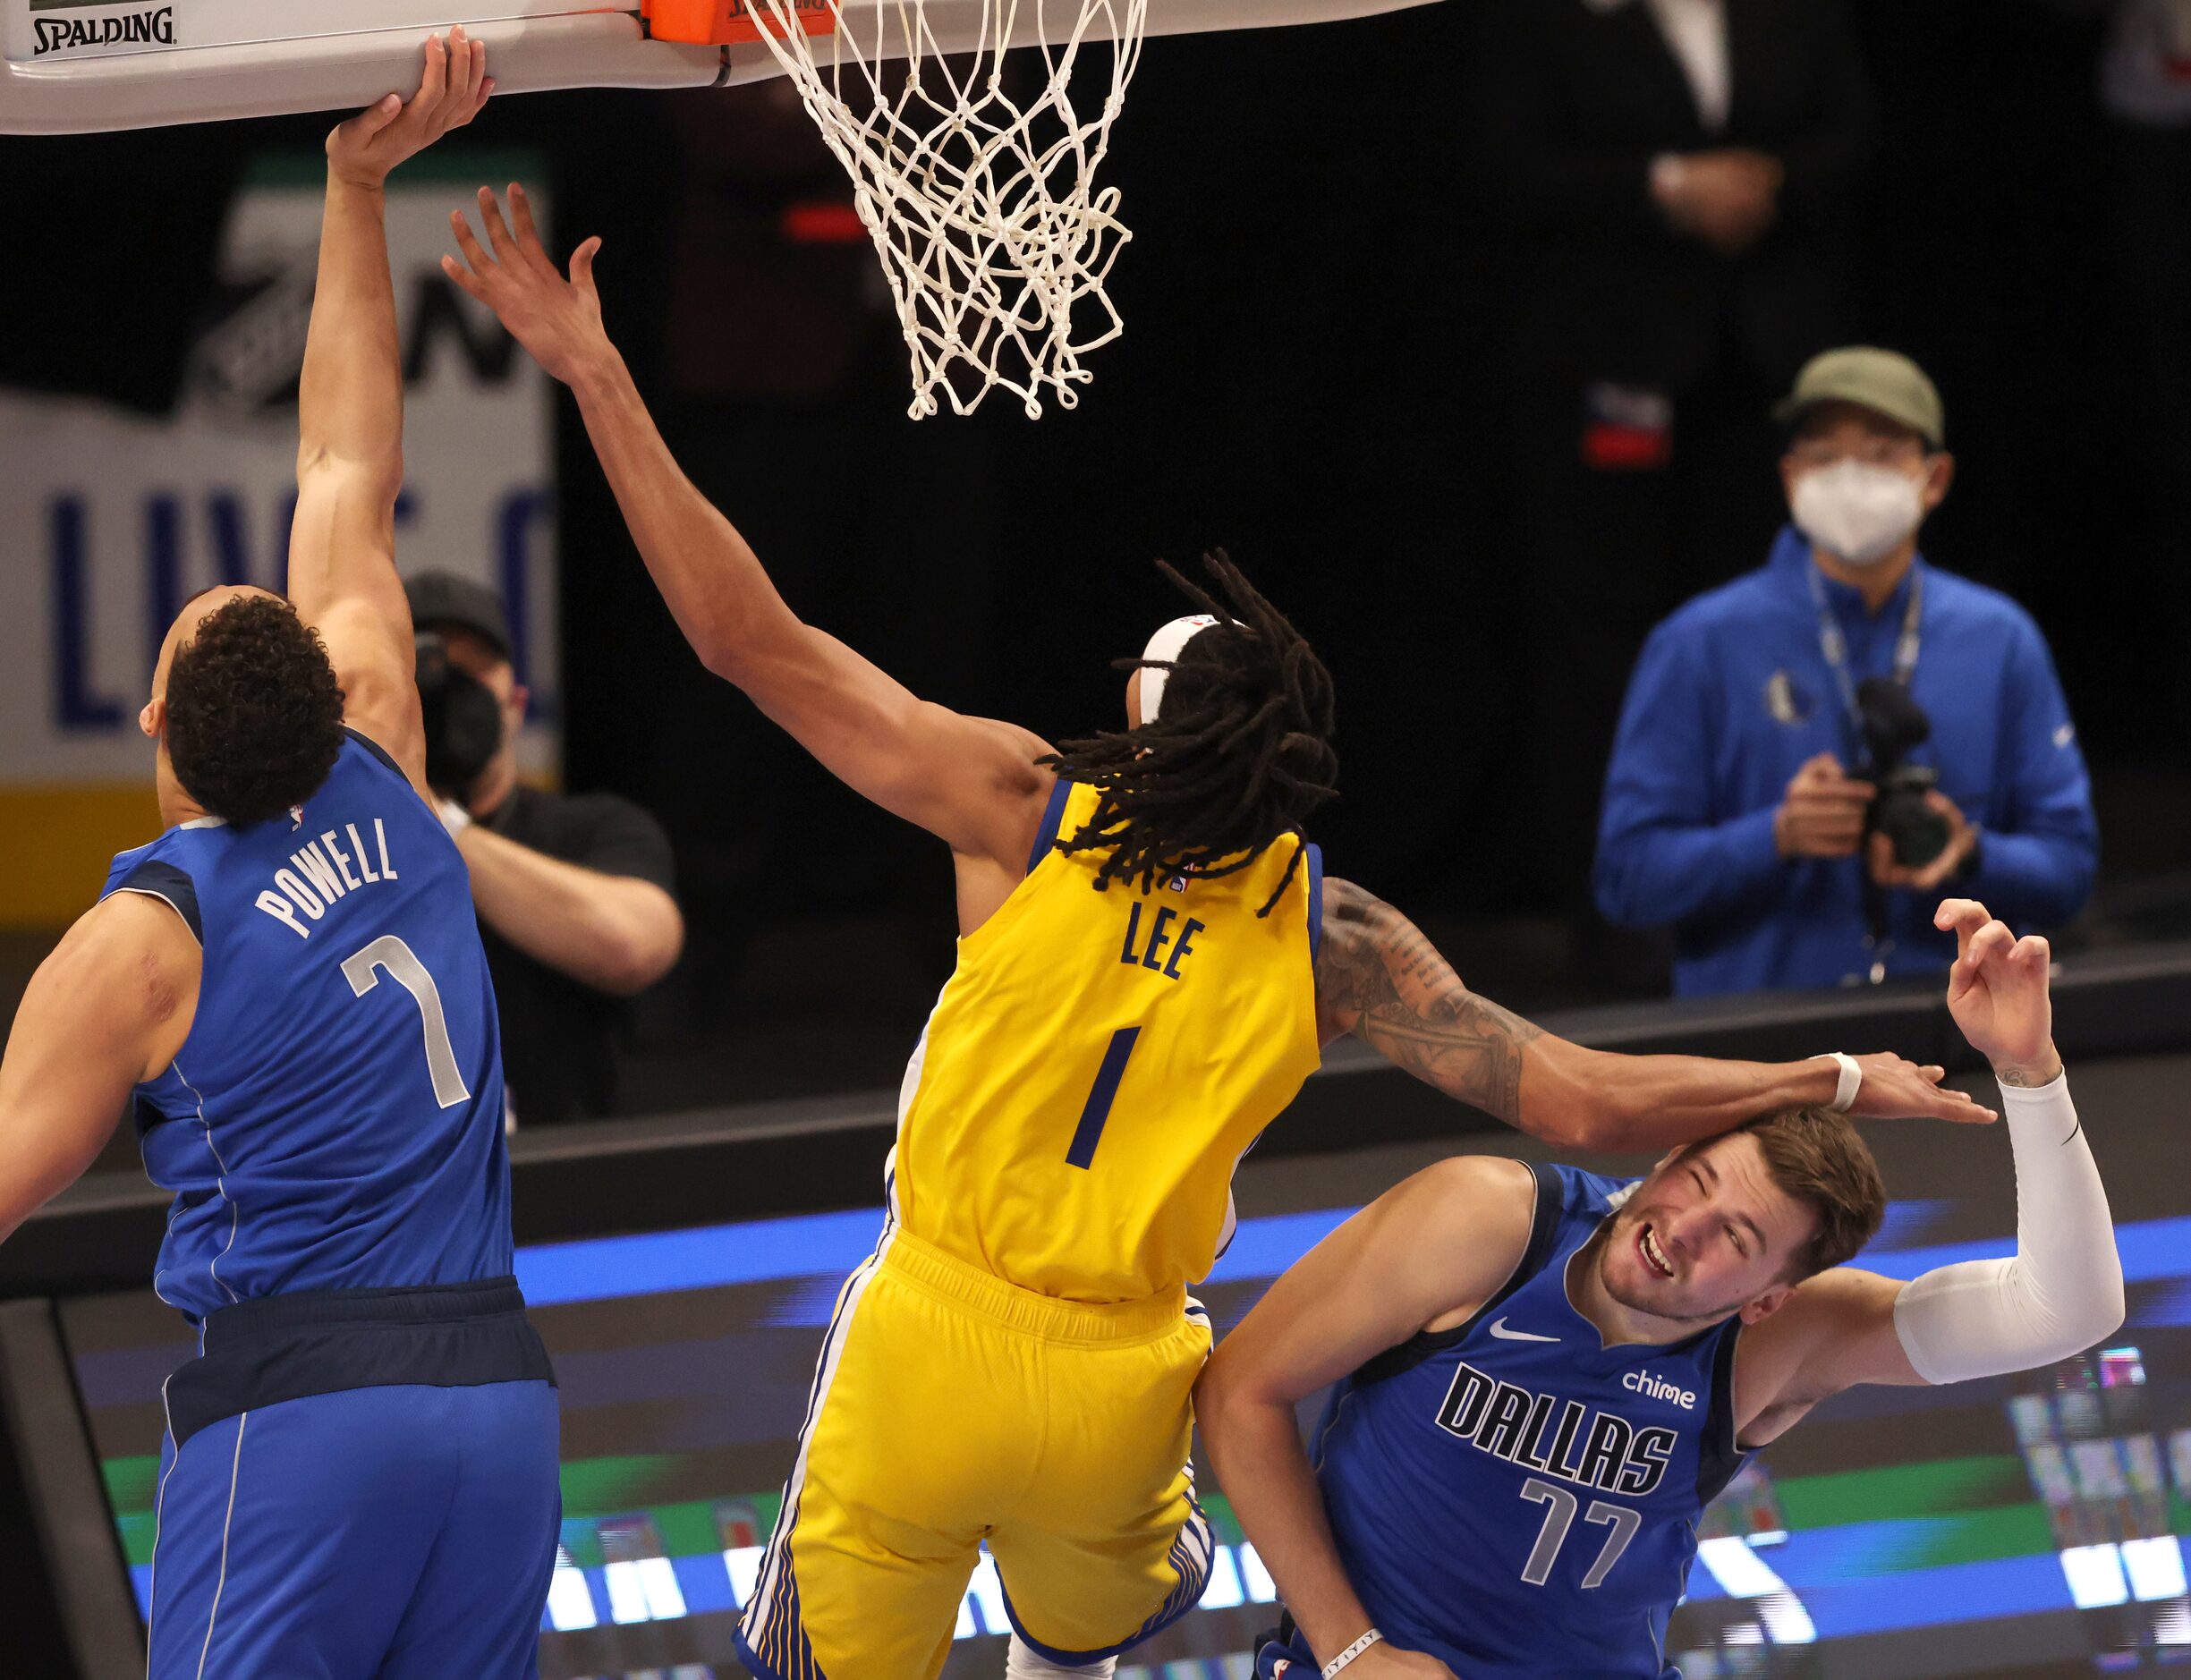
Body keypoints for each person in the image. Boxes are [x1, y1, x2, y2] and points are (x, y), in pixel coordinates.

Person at [439, 191, 1987, 1680]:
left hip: (930, 1317)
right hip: (1122, 1375)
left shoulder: (1030, 807)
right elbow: (1582, 1102)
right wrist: (1830, 1074)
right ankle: (1070, 1637)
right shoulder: (1333, 932)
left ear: (1140, 727)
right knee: (1115, 1588)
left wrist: (595, 370)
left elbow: (744, 640)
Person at [0, 38, 561, 1678]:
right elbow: (346, 461)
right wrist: (354, 183)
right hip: (500, 1396)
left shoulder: (144, 938)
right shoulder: (384, 748)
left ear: (155, 718)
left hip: (308, 1412)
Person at [1201, 897, 2124, 1680]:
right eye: (1697, 1181)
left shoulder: (1779, 1343)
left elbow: (2066, 1311)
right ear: (1666, 1156)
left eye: (1736, 1236)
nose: (1680, 1225)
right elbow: (1241, 1388)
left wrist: (2029, 1073)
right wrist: (1351, 1648)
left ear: (1769, 1295)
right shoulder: (1486, 1222)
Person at [1463, 0, 1876, 907]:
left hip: (1766, 364)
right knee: (1606, 640)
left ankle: (1793, 892)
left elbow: (1851, 128)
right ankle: (1622, 904)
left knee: (1778, 619)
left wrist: (1764, 178)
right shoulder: (1545, 21)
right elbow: (1507, 165)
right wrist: (1667, 185)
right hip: (1611, 366)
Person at [1594, 347, 2100, 995]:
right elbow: (1625, 882)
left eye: (1882, 451)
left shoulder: (1999, 639)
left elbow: (2070, 870)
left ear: (1935, 478)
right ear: (1790, 478)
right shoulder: (1699, 641)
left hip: (1952, 1036)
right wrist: (1773, 836)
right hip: (1760, 1052)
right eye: (1823, 454)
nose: (1850, 476)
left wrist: (1970, 852)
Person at [406, 569, 683, 1124]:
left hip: (568, 1177)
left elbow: (635, 945)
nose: (451, 690)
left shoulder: (593, 828)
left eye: (474, 669)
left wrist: (434, 818)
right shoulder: (349, 853)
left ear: (517, 702)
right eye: (429, 670)